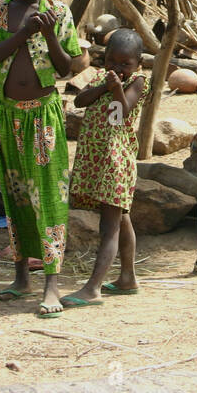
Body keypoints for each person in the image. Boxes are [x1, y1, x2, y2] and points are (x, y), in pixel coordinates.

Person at [0, 0, 90, 316]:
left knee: (50, 197)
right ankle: (21, 276)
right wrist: (23, 34)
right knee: (16, 196)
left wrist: (50, 34)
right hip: (8, 114)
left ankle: (52, 286)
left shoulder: (58, 12)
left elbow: (66, 69)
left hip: (44, 116)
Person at [61, 29, 149, 312]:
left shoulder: (138, 82)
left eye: (125, 64)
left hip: (115, 162)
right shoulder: (100, 78)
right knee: (121, 219)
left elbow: (121, 113)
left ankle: (93, 287)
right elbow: (79, 101)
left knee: (109, 226)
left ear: (138, 64)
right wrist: (104, 85)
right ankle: (127, 278)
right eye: (112, 61)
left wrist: (116, 89)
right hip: (97, 160)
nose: (117, 69)